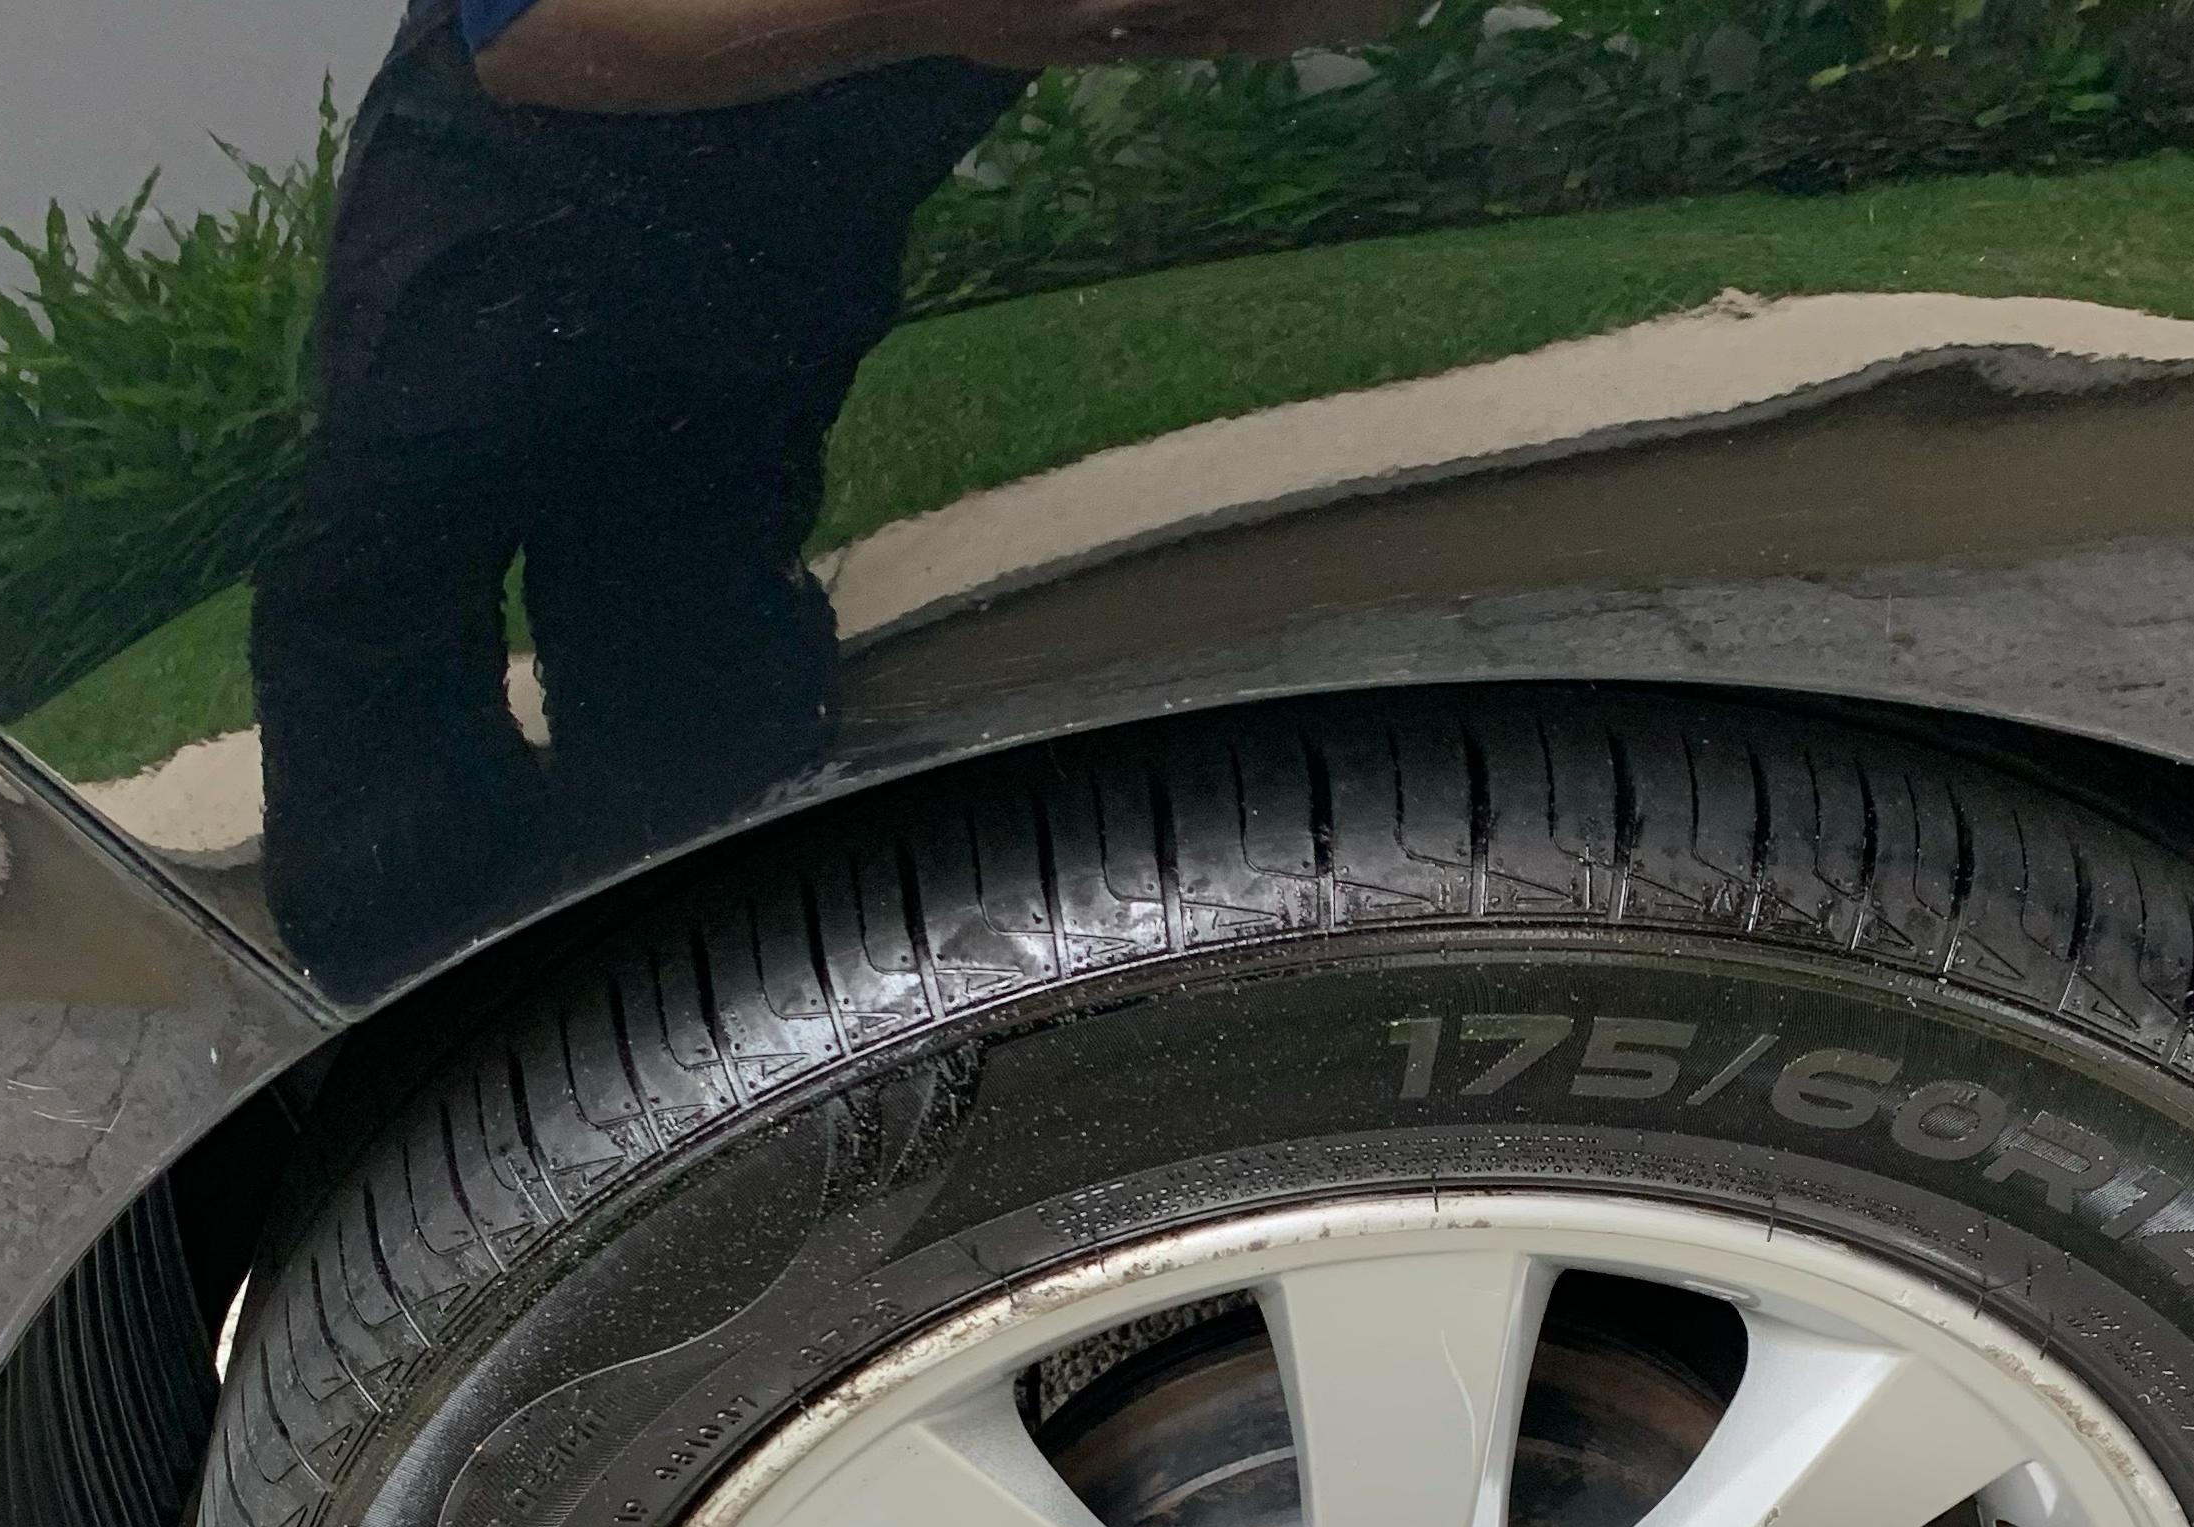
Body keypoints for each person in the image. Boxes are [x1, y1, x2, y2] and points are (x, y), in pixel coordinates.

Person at [252, 0, 1379, 995]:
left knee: (692, 630)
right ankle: (414, 1036)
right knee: (385, 615)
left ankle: (701, 1013)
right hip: (504, 199)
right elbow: (525, 38)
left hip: (781, 253)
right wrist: (933, 18)